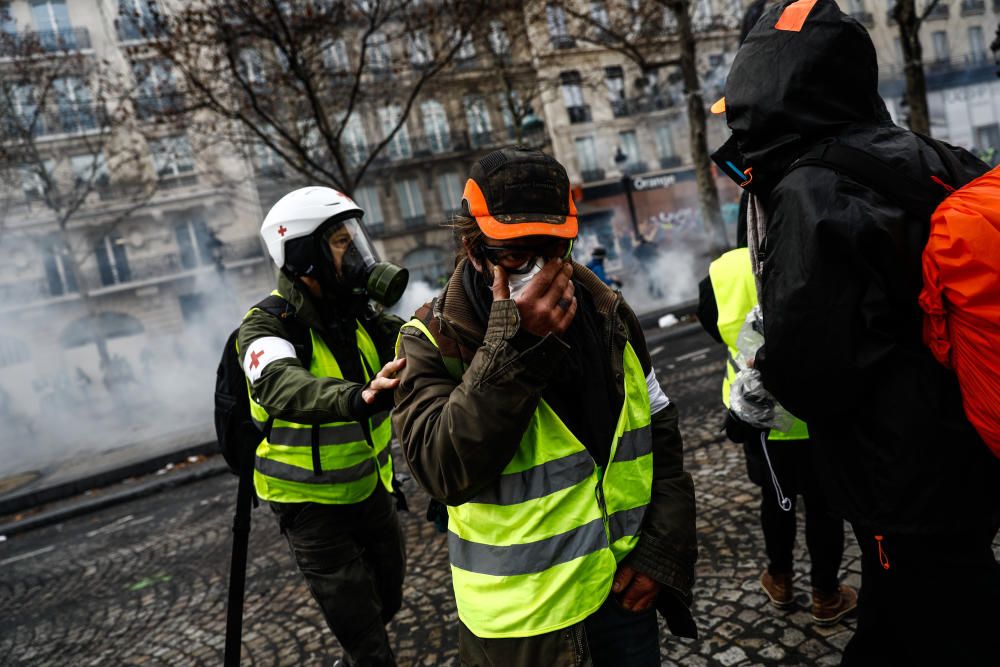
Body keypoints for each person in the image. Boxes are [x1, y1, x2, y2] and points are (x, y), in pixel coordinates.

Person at [711, 1, 1000, 664]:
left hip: (898, 471)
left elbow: (813, 366)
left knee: (932, 618)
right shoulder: (932, 154)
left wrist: (768, 366)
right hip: (970, 435)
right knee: (931, 601)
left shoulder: (812, 189)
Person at [393, 147, 697, 666]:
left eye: (553, 249)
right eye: (514, 255)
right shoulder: (434, 338)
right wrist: (515, 347)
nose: (539, 271)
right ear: (473, 248)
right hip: (521, 629)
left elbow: (659, 431)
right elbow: (443, 470)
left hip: (621, 598)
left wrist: (661, 552)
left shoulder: (607, 313)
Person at [238, 186, 410, 666]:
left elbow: (418, 339)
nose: (354, 250)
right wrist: (358, 396)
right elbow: (280, 384)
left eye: (354, 236)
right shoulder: (265, 327)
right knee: (366, 639)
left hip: (370, 487)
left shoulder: (359, 314)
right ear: (303, 254)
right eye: (339, 240)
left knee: (388, 599)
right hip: (309, 506)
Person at [698, 241, 855, 626]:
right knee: (824, 507)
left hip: (757, 415)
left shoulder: (723, 270)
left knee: (775, 499)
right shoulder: (811, 250)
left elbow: (711, 322)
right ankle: (826, 594)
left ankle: (780, 580)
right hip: (814, 411)